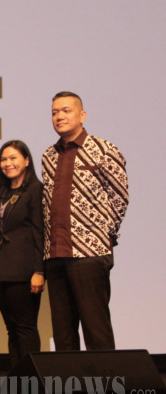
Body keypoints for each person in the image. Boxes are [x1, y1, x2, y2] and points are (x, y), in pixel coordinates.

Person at [42, 91, 128, 351]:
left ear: (82, 115)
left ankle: (105, 379)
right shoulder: (48, 156)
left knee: (96, 329)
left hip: (89, 254)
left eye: (66, 110)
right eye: (54, 112)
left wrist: (101, 236)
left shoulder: (103, 149)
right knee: (63, 335)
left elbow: (120, 199)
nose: (59, 116)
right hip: (55, 254)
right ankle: (69, 380)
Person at [0, 140, 44, 368]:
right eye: (3, 159)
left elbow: (40, 232)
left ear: (26, 161)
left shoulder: (35, 189)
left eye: (13, 158)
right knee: (11, 328)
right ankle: (17, 380)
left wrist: (39, 271)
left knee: (25, 327)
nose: (8, 163)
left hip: (24, 271)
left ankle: (31, 381)